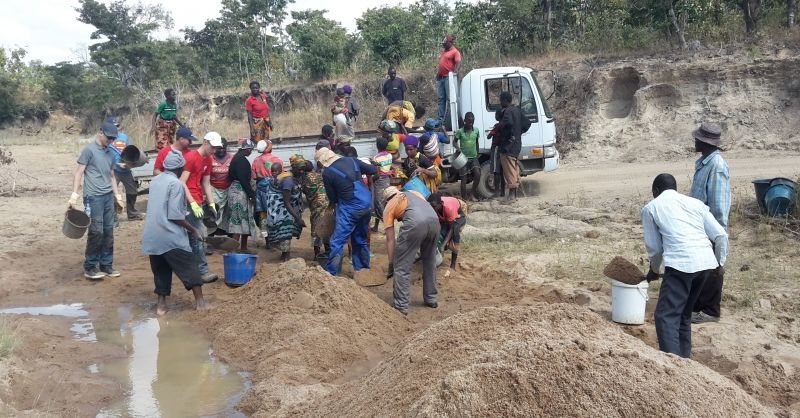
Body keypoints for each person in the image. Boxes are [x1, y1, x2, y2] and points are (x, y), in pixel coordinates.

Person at [642, 173, 728, 358]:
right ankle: (685, 361)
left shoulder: (651, 208)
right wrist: (720, 263)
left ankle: (674, 365)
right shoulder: (695, 204)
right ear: (675, 188)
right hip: (705, 264)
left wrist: (654, 271)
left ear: (655, 191)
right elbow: (720, 236)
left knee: (665, 316)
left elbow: (655, 249)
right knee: (684, 314)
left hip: (681, 265)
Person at [141, 150, 207, 315]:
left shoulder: (155, 181)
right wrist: (193, 230)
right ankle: (200, 303)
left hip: (152, 236)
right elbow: (175, 216)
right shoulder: (176, 184)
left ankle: (161, 307)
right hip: (169, 236)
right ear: (180, 168)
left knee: (161, 270)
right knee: (190, 266)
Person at [68, 121, 125, 280]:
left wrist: (117, 195)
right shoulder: (89, 150)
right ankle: (90, 267)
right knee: (96, 231)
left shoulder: (110, 153)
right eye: (109, 138)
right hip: (93, 197)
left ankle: (106, 265)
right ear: (101, 133)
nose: (111, 141)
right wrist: (74, 194)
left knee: (108, 231)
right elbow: (79, 172)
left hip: (108, 197)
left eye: (113, 139)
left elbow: (112, 176)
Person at [689, 123, 731, 324]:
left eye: (697, 139)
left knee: (714, 268)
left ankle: (711, 311)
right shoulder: (704, 162)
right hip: (700, 224)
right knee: (702, 267)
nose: (694, 141)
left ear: (704, 142)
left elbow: (719, 203)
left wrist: (718, 232)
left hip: (711, 225)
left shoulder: (717, 166)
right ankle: (698, 306)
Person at [316, 147, 376, 277]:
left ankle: (332, 273)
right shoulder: (351, 160)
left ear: (323, 161)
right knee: (360, 238)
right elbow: (373, 170)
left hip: (349, 208)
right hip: (366, 203)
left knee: (337, 242)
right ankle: (363, 270)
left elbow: (333, 198)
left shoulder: (327, 173)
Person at [382, 186, 440, 315]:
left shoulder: (389, 207)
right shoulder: (413, 193)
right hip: (435, 221)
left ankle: (401, 305)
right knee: (430, 261)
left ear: (386, 200)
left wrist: (392, 264)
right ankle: (431, 298)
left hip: (415, 223)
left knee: (401, 266)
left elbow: (390, 239)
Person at [180, 132, 222, 283]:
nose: (214, 150)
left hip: (198, 200)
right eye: (212, 146)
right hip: (187, 201)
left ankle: (192, 269)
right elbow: (182, 182)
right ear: (205, 142)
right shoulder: (191, 158)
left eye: (216, 148)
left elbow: (206, 183)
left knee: (192, 236)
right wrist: (191, 202)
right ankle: (203, 271)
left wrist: (211, 203)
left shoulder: (209, 159)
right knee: (198, 234)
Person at [255, 162, 305, 261]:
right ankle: (285, 255)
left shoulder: (286, 180)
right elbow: (284, 201)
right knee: (285, 233)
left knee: (285, 233)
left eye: (276, 171)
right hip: (282, 211)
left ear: (281, 170)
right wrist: (298, 218)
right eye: (272, 171)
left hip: (283, 211)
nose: (273, 173)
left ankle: (285, 254)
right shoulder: (280, 181)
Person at [291, 155, 331, 261]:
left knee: (316, 230)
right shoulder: (320, 176)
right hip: (327, 205)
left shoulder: (303, 180)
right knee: (327, 228)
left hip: (316, 207)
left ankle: (317, 254)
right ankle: (328, 251)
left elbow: (302, 193)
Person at [107, 116, 144, 220]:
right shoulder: (108, 138)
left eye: (117, 126)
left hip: (125, 169)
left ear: (120, 126)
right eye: (113, 126)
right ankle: (112, 216)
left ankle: (132, 213)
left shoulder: (124, 137)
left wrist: (134, 161)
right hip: (113, 170)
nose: (116, 128)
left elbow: (130, 150)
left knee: (132, 191)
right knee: (112, 192)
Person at [488, 92, 522, 203]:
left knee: (509, 170)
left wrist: (508, 136)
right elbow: (526, 124)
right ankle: (514, 195)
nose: (500, 103)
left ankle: (511, 196)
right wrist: (517, 134)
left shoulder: (507, 112)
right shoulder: (517, 110)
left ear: (504, 100)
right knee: (515, 168)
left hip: (508, 146)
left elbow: (507, 124)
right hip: (517, 144)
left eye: (501, 100)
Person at [227, 140, 257, 252]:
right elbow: (243, 179)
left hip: (238, 191)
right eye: (250, 150)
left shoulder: (237, 158)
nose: (250, 152)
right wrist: (251, 194)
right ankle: (234, 249)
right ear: (246, 149)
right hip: (239, 193)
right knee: (238, 221)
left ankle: (243, 247)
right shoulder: (241, 160)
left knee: (244, 220)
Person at [428, 193, 467, 270]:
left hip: (460, 211)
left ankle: (452, 265)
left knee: (455, 230)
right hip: (446, 213)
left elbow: (451, 228)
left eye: (434, 206)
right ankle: (437, 255)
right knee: (439, 231)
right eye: (431, 206)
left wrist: (443, 245)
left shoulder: (449, 209)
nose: (432, 208)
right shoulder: (434, 207)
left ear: (441, 204)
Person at [453, 112, 482, 200]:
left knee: (478, 174)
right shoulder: (460, 131)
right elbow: (454, 142)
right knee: (463, 179)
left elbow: (476, 142)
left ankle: (472, 193)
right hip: (463, 158)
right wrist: (458, 148)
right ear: (465, 120)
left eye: (472, 122)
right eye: (469, 121)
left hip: (473, 157)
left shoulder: (476, 130)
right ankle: (464, 198)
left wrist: (477, 153)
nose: (470, 123)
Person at [209, 138, 233, 233]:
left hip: (228, 188)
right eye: (219, 148)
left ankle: (226, 234)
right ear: (215, 148)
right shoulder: (210, 159)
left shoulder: (231, 158)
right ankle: (211, 234)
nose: (222, 150)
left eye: (224, 148)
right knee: (214, 211)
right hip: (213, 189)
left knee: (227, 213)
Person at [371, 137, 395, 231]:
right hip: (387, 180)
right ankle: (376, 226)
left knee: (379, 203)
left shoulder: (376, 158)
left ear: (377, 146)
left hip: (379, 181)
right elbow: (387, 168)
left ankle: (388, 227)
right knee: (384, 202)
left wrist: (371, 180)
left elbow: (376, 174)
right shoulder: (389, 155)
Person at [436, 35, 461, 122]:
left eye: (445, 43)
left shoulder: (455, 51)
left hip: (448, 78)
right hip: (441, 78)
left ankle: (451, 119)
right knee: (441, 99)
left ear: (450, 42)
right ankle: (440, 119)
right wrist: (438, 74)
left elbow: (458, 61)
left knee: (450, 99)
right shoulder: (444, 52)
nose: (443, 44)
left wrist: (455, 72)